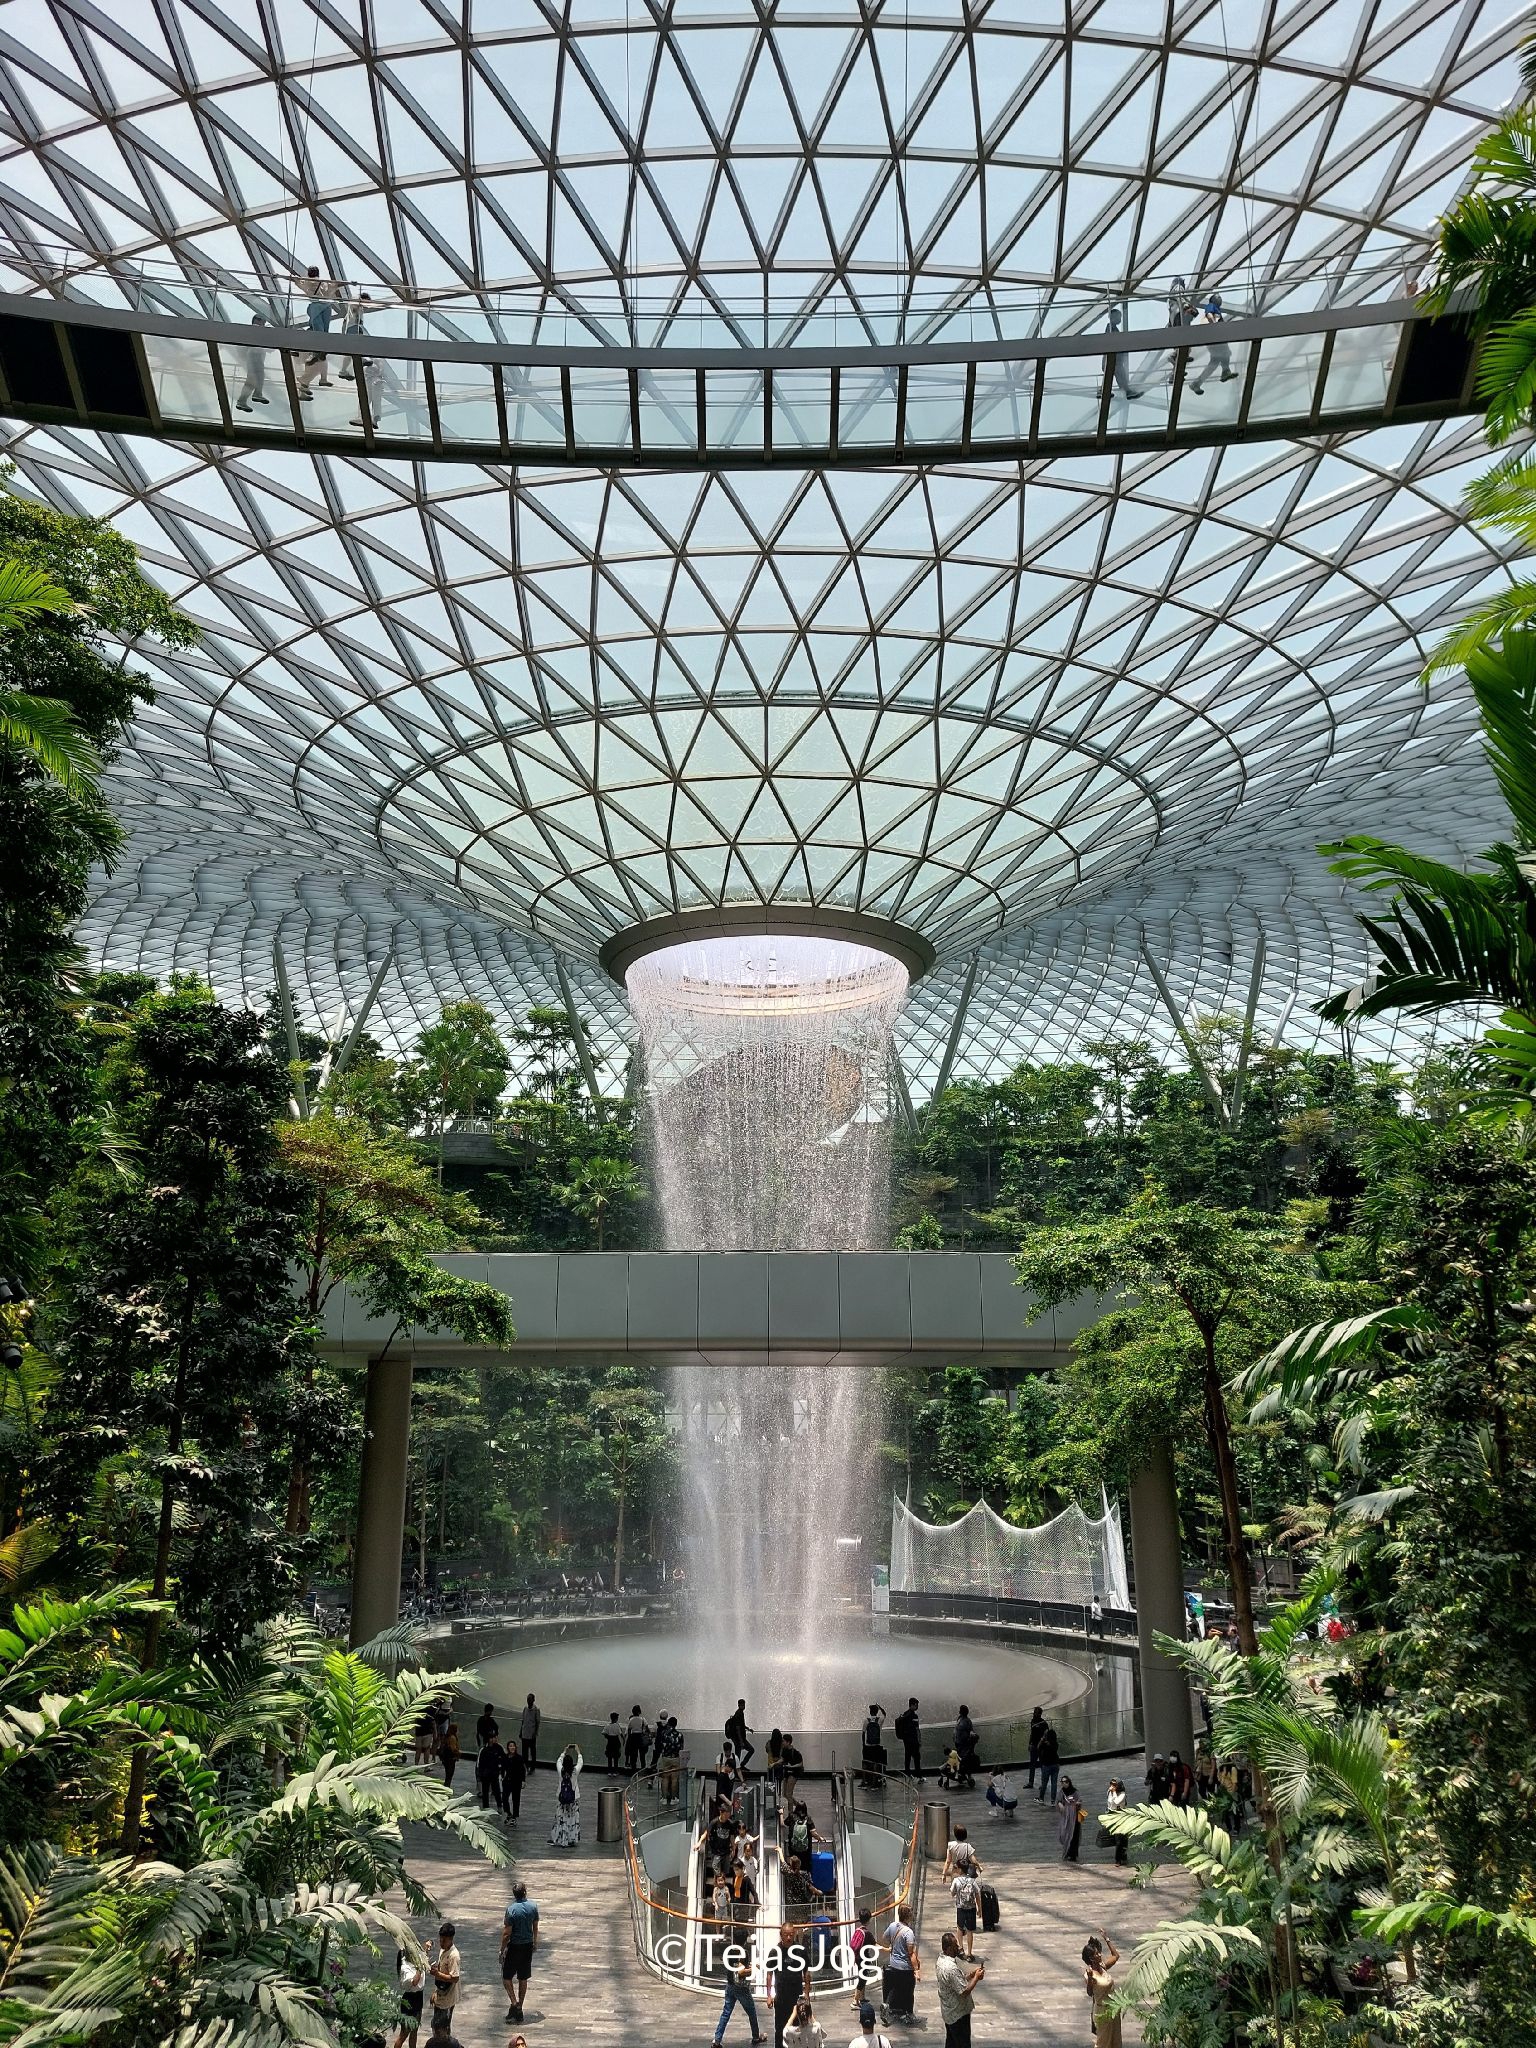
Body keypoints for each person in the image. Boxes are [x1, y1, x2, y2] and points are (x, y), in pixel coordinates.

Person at [935, 1931, 984, 2048]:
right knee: (963, 2044)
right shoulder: (950, 1968)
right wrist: (976, 1978)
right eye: (955, 1946)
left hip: (949, 2012)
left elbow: (955, 1982)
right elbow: (964, 1992)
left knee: (951, 2043)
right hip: (958, 2015)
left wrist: (971, 1975)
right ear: (948, 1948)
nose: (958, 1947)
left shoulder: (941, 1960)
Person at [500, 1879, 538, 2023]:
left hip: (514, 1946)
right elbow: (535, 1926)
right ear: (525, 1892)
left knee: (506, 1977)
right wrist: (535, 1942)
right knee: (523, 1977)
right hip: (527, 1946)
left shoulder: (511, 1910)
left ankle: (515, 2003)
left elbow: (506, 1934)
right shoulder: (533, 1907)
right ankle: (519, 2006)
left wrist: (501, 1950)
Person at [712, 1945, 766, 2046]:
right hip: (741, 1988)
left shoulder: (730, 1950)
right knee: (752, 2012)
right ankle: (756, 2037)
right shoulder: (742, 1952)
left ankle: (717, 2040)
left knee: (726, 2013)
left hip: (730, 1985)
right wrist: (753, 1968)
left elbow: (736, 1966)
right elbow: (740, 1971)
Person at [880, 1905, 919, 2027]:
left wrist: (893, 1946)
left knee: (894, 1988)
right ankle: (908, 2014)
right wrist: (916, 1970)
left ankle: (887, 2005)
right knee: (908, 1991)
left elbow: (884, 1938)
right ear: (908, 1916)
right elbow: (911, 1953)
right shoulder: (908, 1932)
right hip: (905, 1968)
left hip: (893, 1965)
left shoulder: (892, 1926)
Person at [1190, 293, 1237, 394]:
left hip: (1210, 337)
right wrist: (1215, 327)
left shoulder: (1216, 310)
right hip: (1214, 335)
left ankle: (1196, 383)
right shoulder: (1212, 306)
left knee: (1214, 363)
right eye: (1218, 298)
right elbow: (1209, 314)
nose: (1219, 299)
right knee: (1225, 353)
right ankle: (1225, 371)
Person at [1083, 1931, 1122, 2048]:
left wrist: (1107, 1939)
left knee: (1115, 2040)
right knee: (1103, 2042)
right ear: (1091, 1958)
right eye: (1097, 1954)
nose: (1100, 1955)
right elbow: (1090, 1992)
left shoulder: (1103, 1967)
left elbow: (1116, 1956)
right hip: (1102, 2011)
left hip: (1114, 2009)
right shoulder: (1090, 1974)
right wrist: (1090, 1978)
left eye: (1099, 1953)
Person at [772, 1924, 809, 2046]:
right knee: (780, 2028)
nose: (788, 1937)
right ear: (781, 1934)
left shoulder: (800, 1951)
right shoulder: (775, 1951)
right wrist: (769, 1995)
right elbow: (769, 1973)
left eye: (791, 1935)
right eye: (786, 1934)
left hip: (796, 1997)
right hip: (781, 1997)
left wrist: (807, 1995)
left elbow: (806, 1972)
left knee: (798, 2027)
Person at [1105, 307, 1142, 399]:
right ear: (1112, 317)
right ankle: (1127, 391)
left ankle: (1106, 391)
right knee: (1120, 375)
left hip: (1115, 359)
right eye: (1119, 317)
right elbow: (1112, 343)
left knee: (1117, 375)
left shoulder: (1112, 328)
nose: (1120, 319)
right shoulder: (1110, 328)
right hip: (1114, 359)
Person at [550, 1741, 582, 1846]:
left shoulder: (560, 1771)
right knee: (572, 1819)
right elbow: (580, 1762)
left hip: (561, 1798)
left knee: (561, 1818)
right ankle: (571, 1838)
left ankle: (559, 1837)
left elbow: (558, 1761)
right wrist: (578, 1752)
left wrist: (564, 1751)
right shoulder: (575, 1772)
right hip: (573, 1798)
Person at [428, 1923, 461, 2027]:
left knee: (441, 2027)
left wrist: (437, 1974)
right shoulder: (443, 1950)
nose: (441, 1943)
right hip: (441, 1993)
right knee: (437, 2024)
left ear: (450, 1939)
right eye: (440, 1939)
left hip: (448, 1997)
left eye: (444, 1941)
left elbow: (455, 1978)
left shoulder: (453, 1956)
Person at [235, 315, 269, 411]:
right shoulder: (256, 328)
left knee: (252, 379)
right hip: (255, 355)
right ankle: (257, 394)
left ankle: (242, 401)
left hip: (254, 355)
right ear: (258, 320)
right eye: (263, 321)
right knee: (259, 375)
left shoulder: (254, 331)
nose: (264, 324)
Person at [393, 1947, 425, 2048]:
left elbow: (422, 1953)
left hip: (419, 1997)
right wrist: (420, 1966)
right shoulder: (405, 1967)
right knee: (404, 2033)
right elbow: (415, 1981)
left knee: (414, 2031)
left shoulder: (415, 1960)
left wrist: (426, 1949)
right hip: (409, 2000)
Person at [949, 1862, 980, 1960]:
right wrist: (980, 1909)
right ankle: (969, 1953)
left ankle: (961, 1948)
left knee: (959, 1927)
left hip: (960, 1907)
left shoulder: (956, 1880)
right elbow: (977, 1894)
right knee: (970, 1930)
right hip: (971, 1908)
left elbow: (952, 1893)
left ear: (960, 1870)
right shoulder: (972, 1881)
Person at [303, 264, 340, 332]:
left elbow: (297, 281)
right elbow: (333, 287)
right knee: (325, 328)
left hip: (315, 307)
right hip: (327, 306)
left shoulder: (306, 282)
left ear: (308, 273)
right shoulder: (324, 283)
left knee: (317, 327)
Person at [476, 1732, 506, 1811]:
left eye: (495, 1738)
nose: (494, 1740)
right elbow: (480, 1763)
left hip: (495, 1774)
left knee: (497, 1791)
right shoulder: (483, 1750)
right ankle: (486, 1808)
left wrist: (502, 1771)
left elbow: (504, 1759)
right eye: (492, 1738)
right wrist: (480, 1774)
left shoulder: (499, 1748)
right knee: (485, 1792)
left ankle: (499, 1806)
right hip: (485, 1775)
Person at [1057, 1775, 1083, 1862]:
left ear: (1068, 1782)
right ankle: (1067, 1852)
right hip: (1066, 1817)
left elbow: (1079, 1800)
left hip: (1074, 1816)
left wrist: (1077, 1803)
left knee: (1074, 1835)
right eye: (1061, 1782)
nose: (1062, 1784)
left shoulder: (1075, 1791)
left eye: (1064, 1782)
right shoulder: (1062, 1792)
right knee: (1065, 1833)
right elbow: (1059, 1801)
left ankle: (1073, 1854)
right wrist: (1060, 1804)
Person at [894, 1698, 921, 1776]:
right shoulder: (914, 1716)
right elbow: (917, 1729)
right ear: (912, 1705)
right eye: (916, 1705)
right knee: (916, 1757)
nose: (917, 1707)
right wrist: (919, 1740)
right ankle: (918, 1775)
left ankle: (907, 1774)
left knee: (907, 1757)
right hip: (913, 1740)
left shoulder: (904, 1714)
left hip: (906, 1740)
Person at [861, 1702, 887, 1785]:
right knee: (876, 1763)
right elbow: (884, 1714)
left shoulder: (866, 1720)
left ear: (870, 1712)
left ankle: (864, 1781)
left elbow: (863, 1733)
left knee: (865, 1762)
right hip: (877, 1745)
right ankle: (874, 1782)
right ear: (876, 1711)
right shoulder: (879, 1720)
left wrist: (863, 1745)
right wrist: (880, 1707)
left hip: (868, 1745)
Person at [727, 1697, 756, 1771]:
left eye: (744, 1705)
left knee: (738, 1755)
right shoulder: (739, 1713)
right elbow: (738, 1728)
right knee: (749, 1750)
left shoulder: (739, 1713)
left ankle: (738, 1768)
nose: (743, 1706)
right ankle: (738, 1768)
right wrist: (741, 1741)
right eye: (742, 1705)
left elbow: (741, 1725)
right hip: (739, 1739)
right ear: (739, 1705)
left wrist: (748, 1728)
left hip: (738, 1739)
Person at [501, 1738, 526, 1821]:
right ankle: (508, 1813)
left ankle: (514, 1817)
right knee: (504, 1798)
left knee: (516, 1800)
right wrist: (502, 1776)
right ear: (508, 1748)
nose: (512, 1748)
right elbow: (502, 1768)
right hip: (507, 1780)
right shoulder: (505, 1757)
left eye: (513, 1746)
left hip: (516, 1781)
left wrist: (523, 1780)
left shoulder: (519, 1758)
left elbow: (522, 1770)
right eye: (510, 1746)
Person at [660, 1714, 684, 1803]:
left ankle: (664, 1798)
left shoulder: (664, 1734)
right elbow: (681, 1748)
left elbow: (661, 1745)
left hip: (666, 1758)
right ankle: (674, 1798)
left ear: (669, 1724)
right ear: (676, 1724)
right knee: (674, 1778)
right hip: (675, 1758)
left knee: (665, 1778)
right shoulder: (680, 1735)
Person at [1035, 1720, 1060, 1806]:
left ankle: (1041, 1798)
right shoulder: (1055, 1744)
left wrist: (1042, 1739)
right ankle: (1053, 1800)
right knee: (1054, 1783)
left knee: (1044, 1783)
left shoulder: (1044, 1744)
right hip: (1056, 1764)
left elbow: (1038, 1748)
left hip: (1046, 1765)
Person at [1105, 1778, 1128, 1865]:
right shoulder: (1109, 1792)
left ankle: (1122, 1857)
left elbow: (1117, 1802)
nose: (1112, 1786)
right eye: (1111, 1784)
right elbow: (1110, 1803)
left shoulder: (1122, 1794)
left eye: (1115, 1785)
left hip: (1121, 1817)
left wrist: (1114, 1792)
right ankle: (1118, 1858)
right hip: (1113, 1817)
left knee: (1123, 1838)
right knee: (1117, 1839)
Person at [780, 1733, 804, 1810]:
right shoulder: (784, 1750)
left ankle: (791, 1813)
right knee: (784, 1794)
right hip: (786, 1774)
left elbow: (800, 1764)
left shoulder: (796, 1753)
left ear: (788, 1742)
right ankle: (798, 1805)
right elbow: (783, 1759)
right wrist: (775, 1763)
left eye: (783, 1741)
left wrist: (791, 1767)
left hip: (793, 1774)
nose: (782, 1743)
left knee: (788, 1794)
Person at [953, 1706, 977, 1777]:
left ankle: (966, 1774)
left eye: (960, 1710)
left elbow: (970, 1731)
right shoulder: (960, 1719)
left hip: (964, 1744)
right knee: (960, 1758)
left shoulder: (967, 1721)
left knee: (964, 1759)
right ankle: (962, 1773)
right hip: (959, 1743)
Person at [1024, 1705, 1045, 1789]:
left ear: (1039, 1714)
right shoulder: (1032, 1721)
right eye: (1034, 1712)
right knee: (1032, 1764)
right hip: (1033, 1746)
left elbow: (1045, 1735)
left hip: (1041, 1747)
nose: (1033, 1714)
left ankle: (1043, 1783)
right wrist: (1029, 1744)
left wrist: (1040, 1744)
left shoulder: (1043, 1723)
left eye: (1035, 1713)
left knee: (1042, 1765)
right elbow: (1032, 1733)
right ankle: (1030, 1783)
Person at [519, 1693, 541, 1770]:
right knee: (524, 1751)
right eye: (527, 1699)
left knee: (532, 1751)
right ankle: (525, 1766)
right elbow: (523, 1721)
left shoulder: (536, 1710)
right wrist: (521, 1732)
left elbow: (537, 1722)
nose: (528, 1701)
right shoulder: (525, 1708)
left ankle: (532, 1767)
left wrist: (535, 1733)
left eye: (530, 1699)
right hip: (525, 1733)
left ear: (533, 1700)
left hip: (531, 1734)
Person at [626, 1703, 648, 1773]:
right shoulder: (643, 1719)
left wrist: (629, 1739)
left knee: (633, 1755)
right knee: (642, 1755)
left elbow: (629, 1729)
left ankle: (633, 1770)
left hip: (633, 1737)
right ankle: (643, 1769)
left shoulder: (631, 1720)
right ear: (639, 1712)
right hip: (641, 1737)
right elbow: (647, 1728)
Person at [438, 1722, 461, 1789]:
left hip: (445, 1758)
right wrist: (458, 1753)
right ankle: (447, 1787)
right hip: (450, 1758)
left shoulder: (447, 1737)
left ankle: (446, 1786)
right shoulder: (452, 1738)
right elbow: (453, 1748)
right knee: (449, 1775)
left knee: (448, 1774)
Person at [604, 1710, 624, 1775]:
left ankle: (609, 1771)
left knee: (609, 1757)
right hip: (616, 1741)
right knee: (616, 1757)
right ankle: (615, 1771)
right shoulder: (617, 1726)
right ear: (616, 1719)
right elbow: (620, 1734)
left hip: (610, 1742)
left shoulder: (608, 1725)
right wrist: (623, 1740)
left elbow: (604, 1733)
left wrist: (608, 1737)